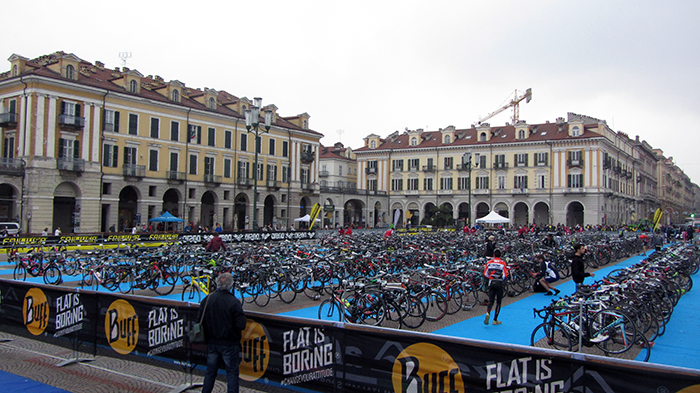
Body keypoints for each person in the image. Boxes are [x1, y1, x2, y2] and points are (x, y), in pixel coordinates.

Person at [198, 273, 247, 393]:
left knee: (210, 372)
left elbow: (199, 319)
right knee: (232, 374)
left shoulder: (208, 299)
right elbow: (241, 324)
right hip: (229, 342)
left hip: (211, 341)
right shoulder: (233, 302)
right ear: (231, 285)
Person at [483, 249, 508, 326]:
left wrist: (490, 278)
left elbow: (485, 273)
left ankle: (488, 312)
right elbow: (505, 275)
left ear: (493, 255)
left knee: (491, 301)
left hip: (491, 282)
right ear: (500, 255)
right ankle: (495, 319)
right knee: (499, 302)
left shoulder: (489, 262)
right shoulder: (502, 263)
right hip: (499, 283)